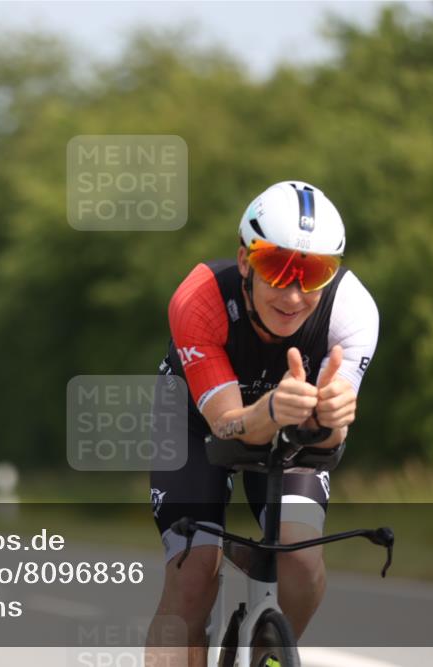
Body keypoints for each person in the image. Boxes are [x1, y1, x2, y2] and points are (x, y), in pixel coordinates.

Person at [145, 181, 379, 666]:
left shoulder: (353, 312)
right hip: (195, 421)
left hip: (290, 426)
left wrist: (333, 418)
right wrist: (270, 410)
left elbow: (328, 442)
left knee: (301, 562)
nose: (293, 295)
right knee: (193, 576)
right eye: (277, 267)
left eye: (312, 273)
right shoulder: (200, 299)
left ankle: (265, 659)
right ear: (247, 260)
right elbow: (228, 426)